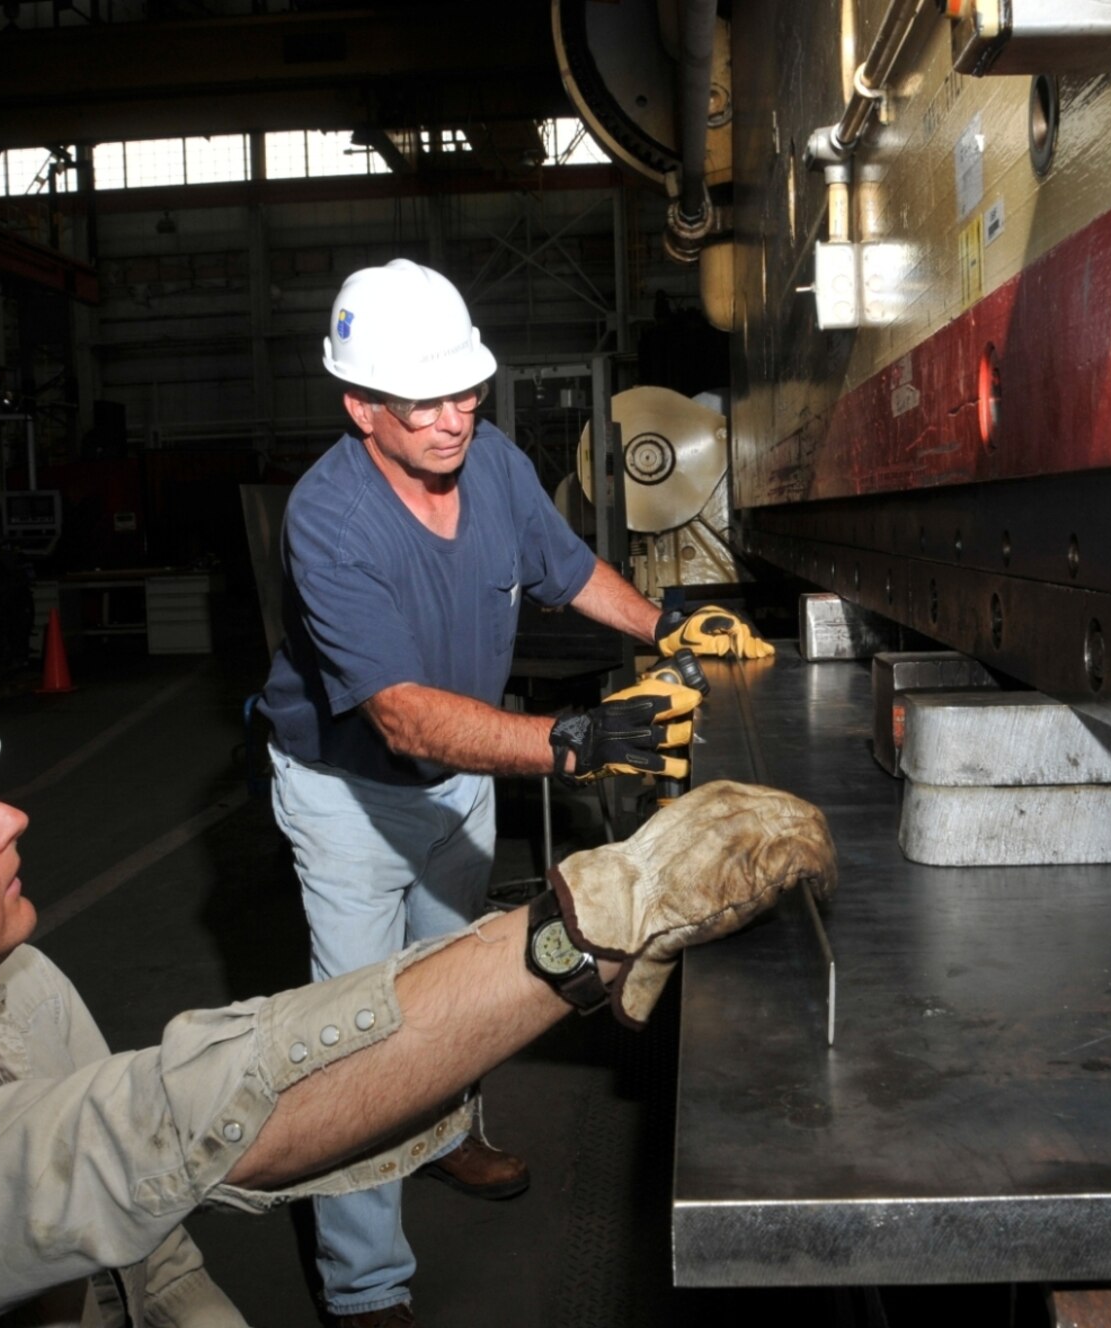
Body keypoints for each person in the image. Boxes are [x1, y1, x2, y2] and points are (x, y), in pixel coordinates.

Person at [0, 623, 835, 1327]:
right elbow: (174, 1127)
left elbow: (145, 1251)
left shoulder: (5, 991)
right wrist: (590, 924)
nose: (14, 819)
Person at [258, 259, 772, 1325]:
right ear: (360, 406)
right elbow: (397, 713)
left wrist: (665, 623)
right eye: (424, 399)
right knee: (357, 1032)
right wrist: (572, 740)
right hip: (347, 792)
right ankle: (363, 1285)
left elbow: (564, 565)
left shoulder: (488, 460)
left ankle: (445, 1135)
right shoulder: (327, 518)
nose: (454, 416)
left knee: (460, 982)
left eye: (466, 389)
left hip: (466, 775)